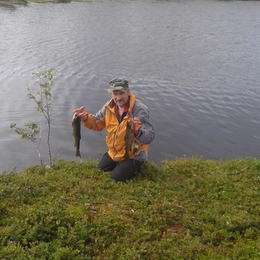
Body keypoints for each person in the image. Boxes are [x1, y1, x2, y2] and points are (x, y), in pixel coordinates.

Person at [73, 78, 155, 182]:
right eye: (115, 94)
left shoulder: (139, 109)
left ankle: (134, 166)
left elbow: (150, 136)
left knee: (115, 178)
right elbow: (96, 123)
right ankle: (119, 163)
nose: (118, 97)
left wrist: (138, 132)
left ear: (128, 92)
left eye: (122, 93)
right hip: (114, 152)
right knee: (100, 170)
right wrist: (85, 118)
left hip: (133, 156)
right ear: (111, 94)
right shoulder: (109, 106)